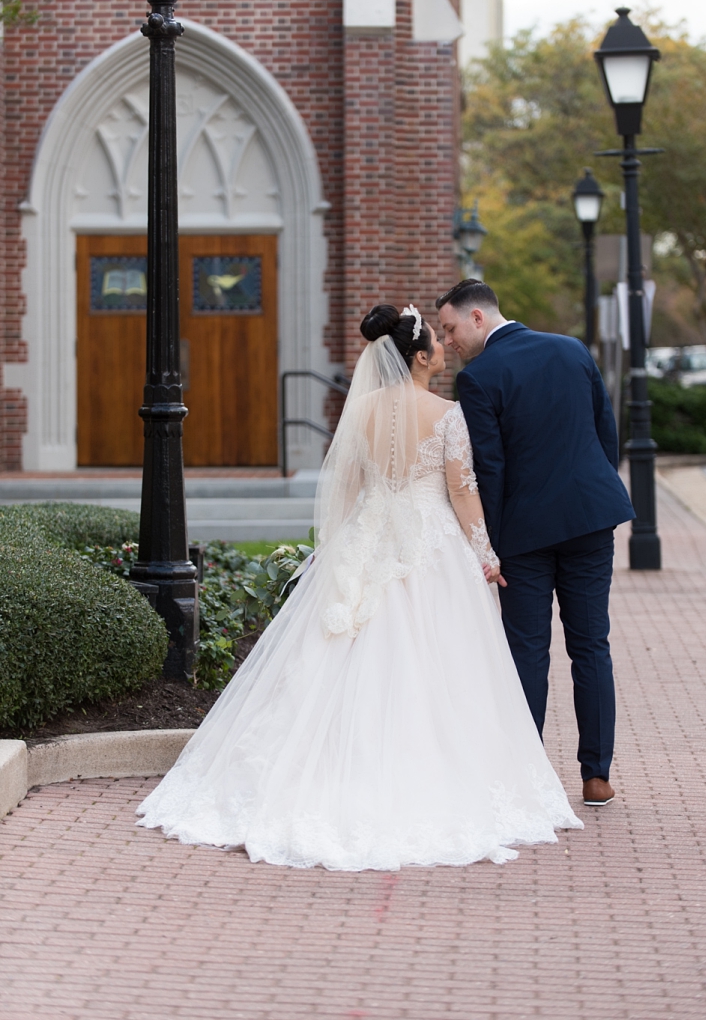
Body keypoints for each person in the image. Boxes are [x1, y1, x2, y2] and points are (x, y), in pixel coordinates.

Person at [137, 304, 582, 870]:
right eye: (437, 345)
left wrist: (341, 547)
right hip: (429, 545)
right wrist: (487, 557)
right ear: (420, 357)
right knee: (439, 662)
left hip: (367, 538)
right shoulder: (447, 413)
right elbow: (464, 493)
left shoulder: (362, 411)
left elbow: (345, 487)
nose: (445, 349)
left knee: (340, 651)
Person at [437, 280, 635, 808]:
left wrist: (490, 545)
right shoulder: (572, 350)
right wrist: (596, 489)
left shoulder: (478, 378)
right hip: (591, 519)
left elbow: (491, 467)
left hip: (523, 534)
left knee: (526, 650)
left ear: (478, 318)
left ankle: (528, 776)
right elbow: (604, 432)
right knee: (591, 643)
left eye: (451, 328)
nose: (448, 341)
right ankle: (597, 776)